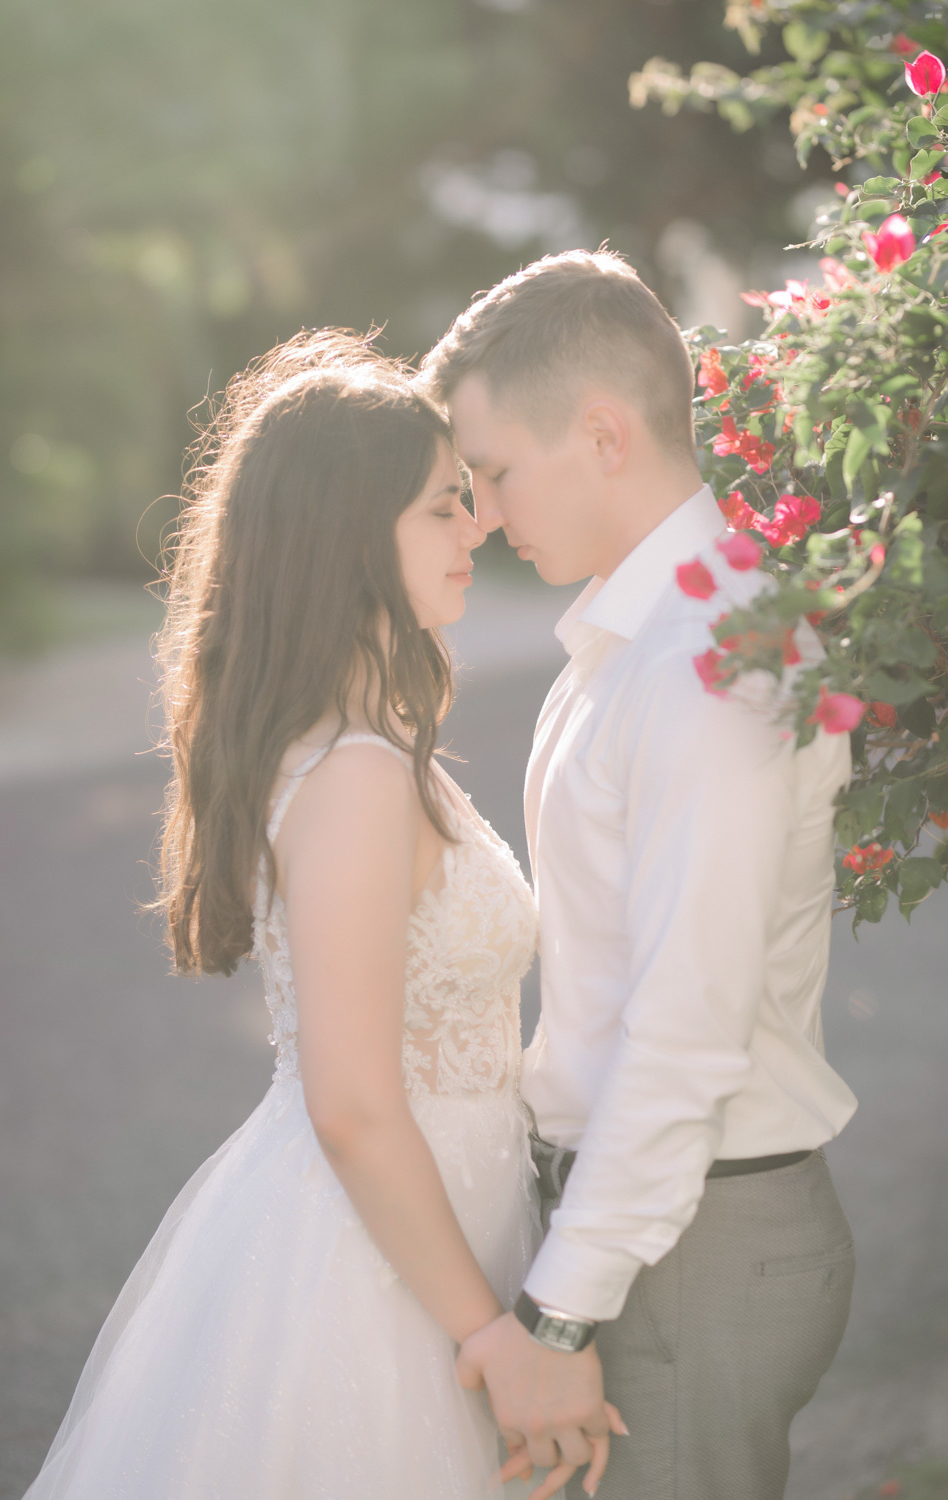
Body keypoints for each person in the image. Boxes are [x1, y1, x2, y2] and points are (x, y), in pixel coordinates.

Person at [21, 331, 617, 1500]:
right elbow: (349, 1104)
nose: (477, 526)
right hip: (379, 1275)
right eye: (444, 507)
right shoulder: (351, 772)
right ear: (354, 536)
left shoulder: (369, 744)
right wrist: (485, 1334)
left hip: (440, 1222)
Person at [420, 249, 859, 1500]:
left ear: (602, 435)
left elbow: (684, 1031)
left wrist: (558, 1315)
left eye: (494, 471)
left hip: (694, 1249)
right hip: (645, 1233)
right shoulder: (629, 646)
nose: (485, 512)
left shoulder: (707, 659)